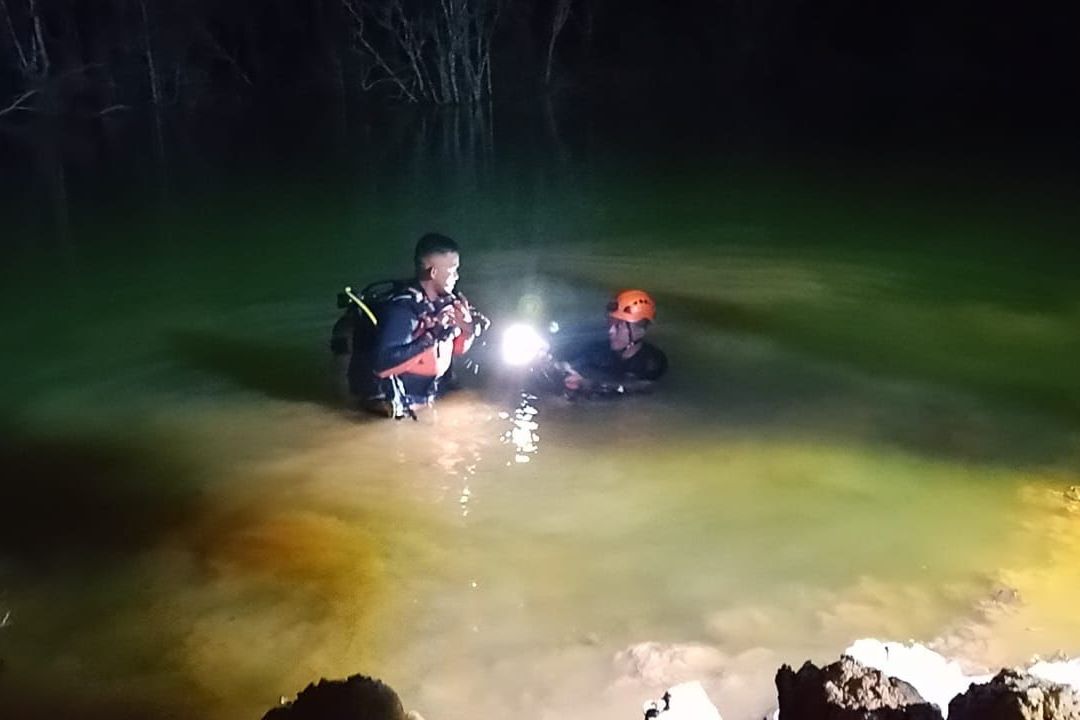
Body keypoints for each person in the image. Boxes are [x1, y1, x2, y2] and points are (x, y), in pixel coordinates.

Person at [366, 232, 488, 418]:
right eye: (452, 270)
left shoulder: (449, 303)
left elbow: (458, 349)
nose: (457, 276)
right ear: (433, 273)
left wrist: (467, 328)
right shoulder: (404, 311)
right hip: (405, 405)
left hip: (435, 395)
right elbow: (382, 366)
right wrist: (432, 337)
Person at [557, 289, 667, 397]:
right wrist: (562, 369)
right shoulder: (598, 350)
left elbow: (639, 388)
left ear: (640, 330)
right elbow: (574, 363)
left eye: (618, 326)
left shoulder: (652, 362)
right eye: (611, 323)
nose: (611, 331)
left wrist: (589, 384)